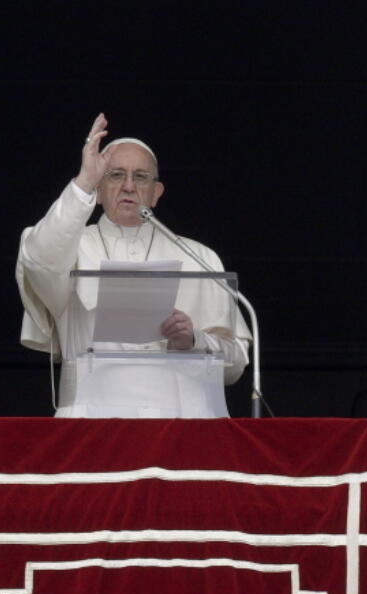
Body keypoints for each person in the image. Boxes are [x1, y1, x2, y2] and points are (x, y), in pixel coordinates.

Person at [16, 113, 251, 417]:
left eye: (140, 177)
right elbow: (39, 261)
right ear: (98, 191)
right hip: (92, 424)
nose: (128, 186)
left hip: (181, 428)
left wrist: (194, 341)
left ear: (156, 193)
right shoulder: (69, 248)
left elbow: (236, 366)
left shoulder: (200, 258)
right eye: (115, 175)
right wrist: (84, 180)